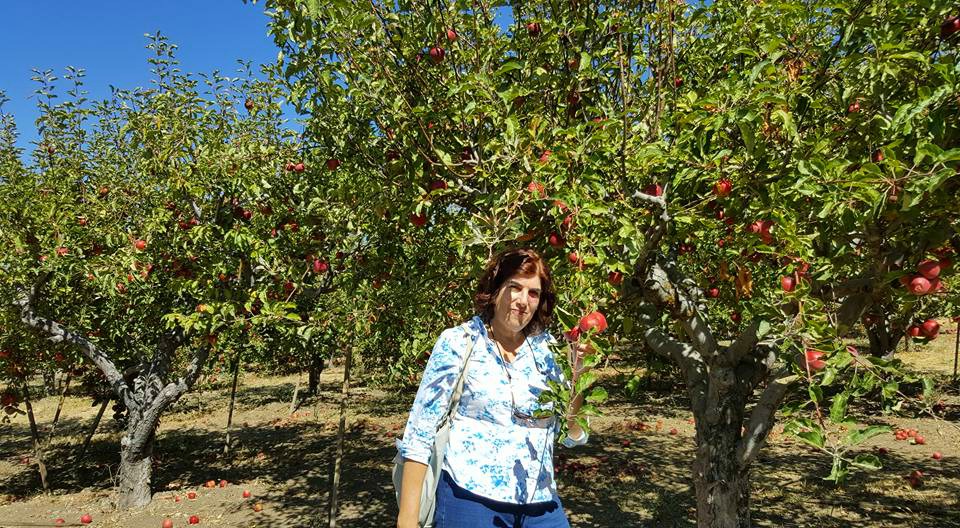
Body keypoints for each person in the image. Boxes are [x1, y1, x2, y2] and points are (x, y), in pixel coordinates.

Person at [396, 248, 592, 528]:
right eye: (515, 287)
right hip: (470, 499)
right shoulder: (460, 341)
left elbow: (573, 434)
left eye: (533, 293)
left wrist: (579, 370)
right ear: (496, 288)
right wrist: (407, 519)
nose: (523, 301)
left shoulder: (550, 350)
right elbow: (420, 432)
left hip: (541, 504)